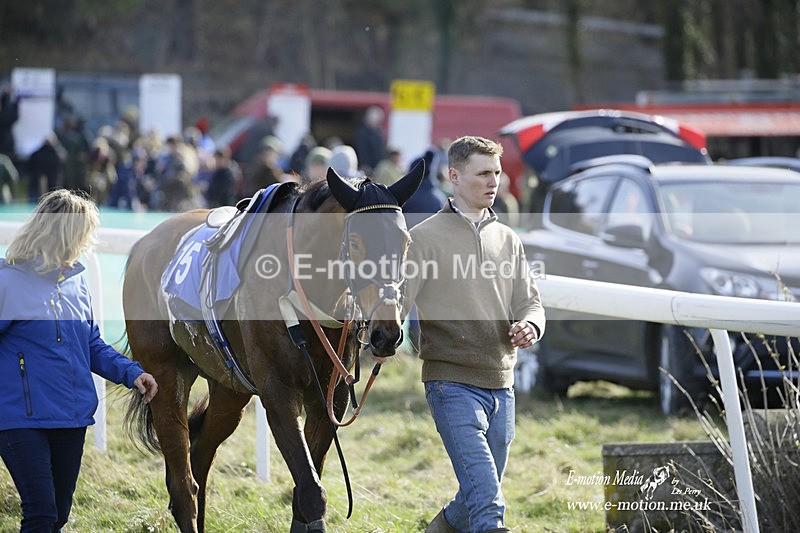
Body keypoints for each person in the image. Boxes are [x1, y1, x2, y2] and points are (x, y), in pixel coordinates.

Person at [402, 136, 545, 533]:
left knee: (475, 495)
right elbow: (397, 305)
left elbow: (531, 303)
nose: (493, 181)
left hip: (503, 385)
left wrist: (530, 325)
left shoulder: (509, 239)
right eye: (483, 173)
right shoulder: (423, 238)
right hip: (451, 384)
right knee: (489, 504)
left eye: (497, 173)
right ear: (454, 176)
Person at [0, 189, 158, 532]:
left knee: (58, 516)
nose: (85, 245)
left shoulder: (77, 284)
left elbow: (91, 345)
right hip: (19, 420)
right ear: (61, 235)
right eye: (81, 237)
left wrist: (132, 374)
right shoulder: (8, 282)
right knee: (40, 515)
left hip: (71, 418)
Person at [354, 105, 386, 174]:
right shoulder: (362, 133)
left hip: (378, 168)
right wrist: (365, 164)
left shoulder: (379, 132)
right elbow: (362, 150)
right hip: (367, 168)